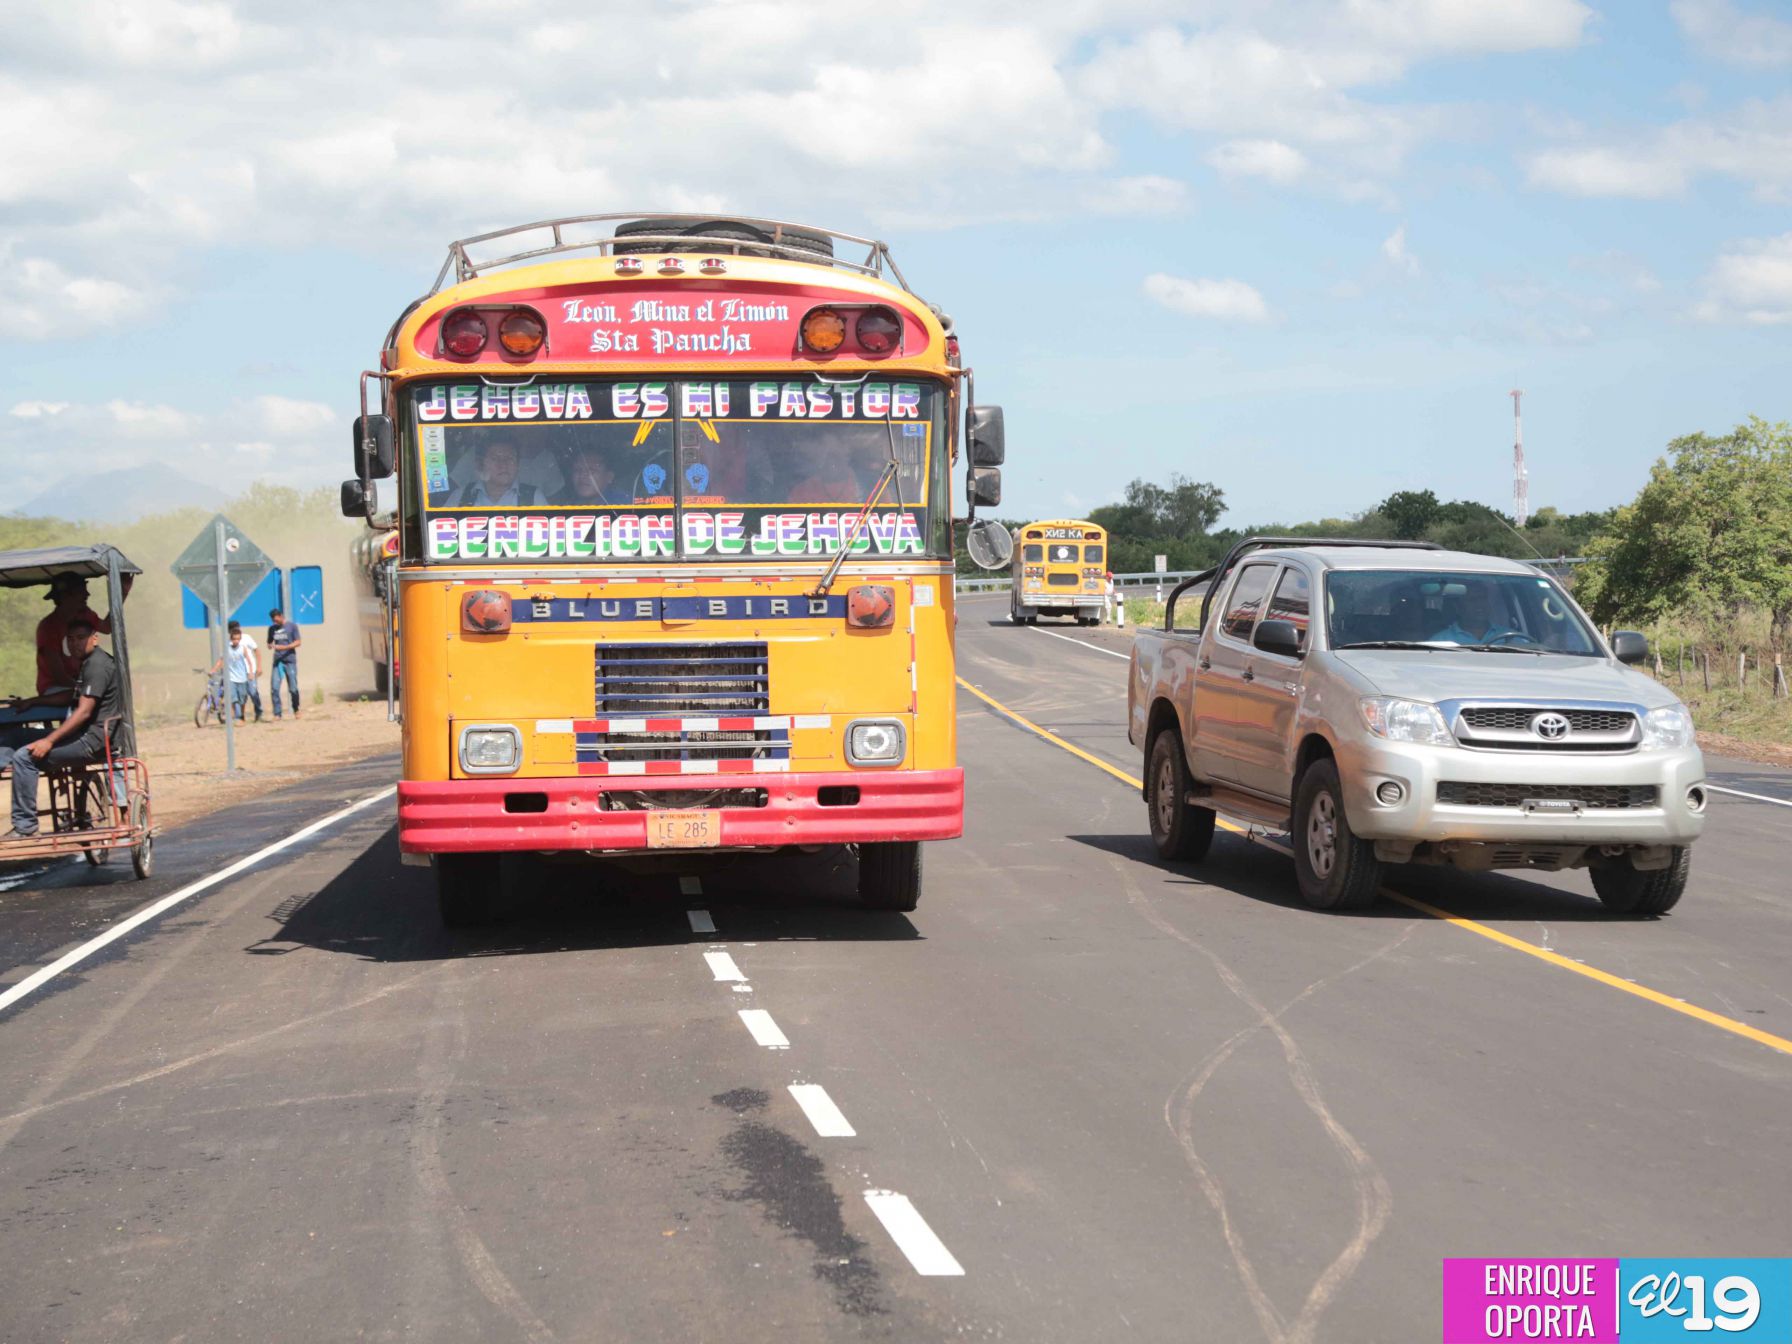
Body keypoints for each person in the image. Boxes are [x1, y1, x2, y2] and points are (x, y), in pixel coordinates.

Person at [0, 616, 122, 838]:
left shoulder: (97, 665)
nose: (75, 643)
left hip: (91, 741)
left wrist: (48, 741)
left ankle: (25, 826)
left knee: (24, 758)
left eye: (81, 638)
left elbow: (83, 711)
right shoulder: (87, 662)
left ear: (95, 638)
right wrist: (33, 701)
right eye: (71, 639)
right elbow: (71, 696)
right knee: (12, 736)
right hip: (79, 734)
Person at [36, 571, 129, 696]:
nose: (87, 594)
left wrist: (122, 593)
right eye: (81, 591)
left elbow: (107, 628)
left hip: (79, 684)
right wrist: (86, 688)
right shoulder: (48, 628)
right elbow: (59, 676)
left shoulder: (85, 615)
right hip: (56, 688)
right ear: (65, 597)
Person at [447, 439, 543, 506]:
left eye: (509, 458)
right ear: (480, 464)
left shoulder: (533, 497)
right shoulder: (461, 496)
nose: (503, 464)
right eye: (495, 458)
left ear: (517, 465)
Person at [1428, 584, 1524, 645]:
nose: (1480, 604)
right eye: (1472, 600)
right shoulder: (1440, 640)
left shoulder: (1512, 637)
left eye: (1483, 598)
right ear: (1458, 607)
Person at [788, 439, 865, 502]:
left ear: (847, 453)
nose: (832, 462)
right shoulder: (801, 492)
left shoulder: (868, 485)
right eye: (826, 455)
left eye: (836, 455)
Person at [210, 622, 257, 722]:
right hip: (231, 677)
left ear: (240, 639)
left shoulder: (242, 649)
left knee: (242, 698)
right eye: (234, 639)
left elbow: (248, 661)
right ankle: (235, 717)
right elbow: (221, 660)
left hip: (242, 677)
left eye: (237, 639)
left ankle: (242, 716)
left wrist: (251, 672)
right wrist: (214, 669)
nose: (235, 641)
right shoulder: (227, 649)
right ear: (231, 639)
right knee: (232, 698)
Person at [555, 446, 630, 506]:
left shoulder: (623, 505)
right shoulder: (570, 505)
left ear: (609, 477)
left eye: (591, 470)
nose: (582, 475)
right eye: (577, 469)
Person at [266, 606, 302, 719]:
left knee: (293, 687)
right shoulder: (272, 629)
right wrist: (271, 645)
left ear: (281, 616)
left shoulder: (292, 626)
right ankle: (277, 713)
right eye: (273, 621)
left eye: (276, 620)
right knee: (274, 687)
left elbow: (298, 642)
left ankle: (296, 709)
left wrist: (285, 647)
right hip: (278, 662)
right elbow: (269, 642)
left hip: (289, 661)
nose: (275, 622)